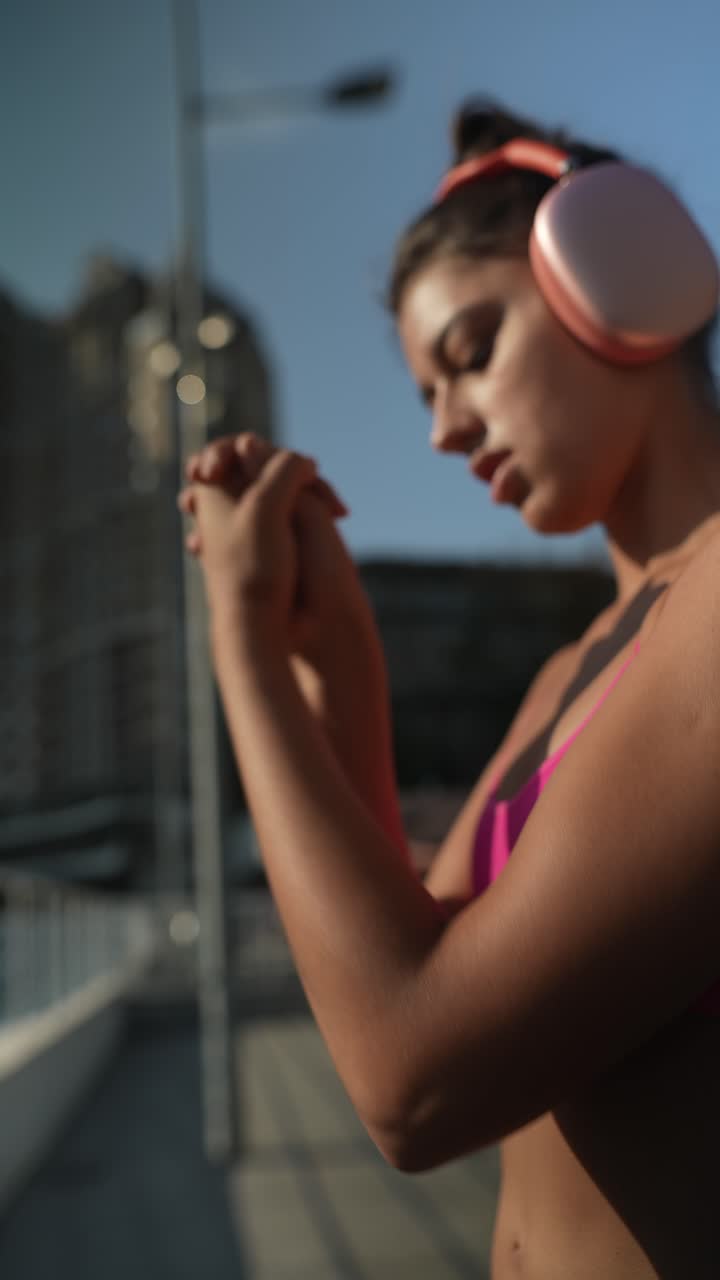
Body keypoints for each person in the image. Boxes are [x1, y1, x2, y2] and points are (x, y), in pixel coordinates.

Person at [177, 100, 720, 1278]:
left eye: (470, 353)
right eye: (426, 391)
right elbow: (396, 952)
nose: (441, 432)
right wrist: (338, 660)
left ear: (628, 270)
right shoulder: (573, 668)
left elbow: (413, 1075)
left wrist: (241, 646)